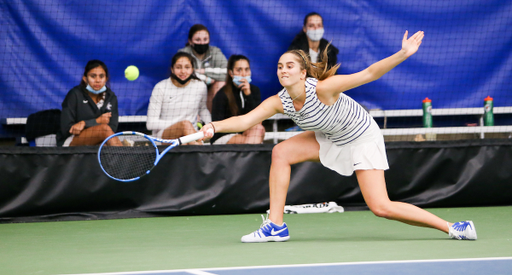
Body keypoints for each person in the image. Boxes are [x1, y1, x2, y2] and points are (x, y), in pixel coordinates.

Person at [201, 31, 477, 242]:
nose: (283, 70)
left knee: (380, 206)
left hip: (361, 137)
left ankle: (454, 227)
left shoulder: (325, 88)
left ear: (303, 72)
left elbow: (369, 73)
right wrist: (214, 127)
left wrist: (403, 53)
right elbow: (245, 120)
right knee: (280, 152)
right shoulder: (279, 101)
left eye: (289, 66)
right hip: (330, 135)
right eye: (279, 66)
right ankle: (276, 226)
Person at [147, 51, 211, 145]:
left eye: (187, 67)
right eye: (178, 67)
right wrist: (180, 124)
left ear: (192, 69)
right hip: (164, 136)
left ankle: (198, 150)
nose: (183, 71)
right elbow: (150, 124)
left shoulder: (200, 86)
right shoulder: (160, 87)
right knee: (185, 125)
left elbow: (203, 109)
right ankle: (203, 155)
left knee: (186, 135)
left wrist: (210, 125)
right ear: (172, 69)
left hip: (191, 135)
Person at [57, 59, 122, 147]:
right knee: (104, 129)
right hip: (70, 140)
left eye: (101, 76)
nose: (97, 80)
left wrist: (84, 124)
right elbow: (66, 128)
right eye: (93, 76)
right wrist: (96, 121)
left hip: (100, 139)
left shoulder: (111, 97)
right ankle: (126, 158)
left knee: (104, 145)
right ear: (85, 79)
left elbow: (113, 128)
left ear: (106, 78)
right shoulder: (74, 94)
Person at [210, 55, 265, 144]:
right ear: (231, 73)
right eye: (239, 70)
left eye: (246, 69)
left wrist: (248, 95)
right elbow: (218, 125)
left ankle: (248, 154)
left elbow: (258, 120)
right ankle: (251, 155)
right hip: (223, 136)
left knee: (258, 129)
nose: (243, 74)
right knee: (250, 141)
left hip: (247, 133)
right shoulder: (222, 95)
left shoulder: (254, 90)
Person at [179, 24, 228, 111]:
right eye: (198, 40)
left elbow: (227, 73)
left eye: (205, 39)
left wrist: (203, 71)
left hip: (209, 92)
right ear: (190, 41)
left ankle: (212, 118)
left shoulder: (215, 51)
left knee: (221, 84)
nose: (202, 43)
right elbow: (182, 74)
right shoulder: (183, 53)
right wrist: (207, 79)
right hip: (190, 91)